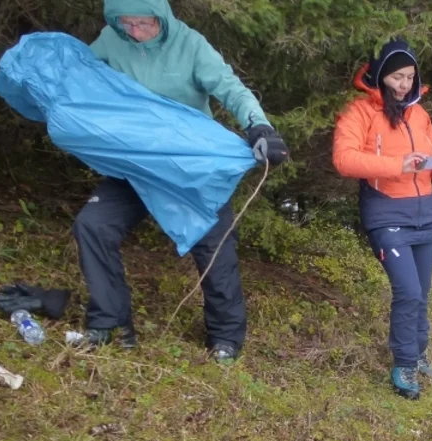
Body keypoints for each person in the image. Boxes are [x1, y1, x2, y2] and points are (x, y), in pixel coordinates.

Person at [73, 0, 289, 362]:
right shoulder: (111, 39)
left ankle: (225, 337)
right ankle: (110, 323)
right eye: (128, 24)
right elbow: (80, 75)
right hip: (137, 162)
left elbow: (230, 88)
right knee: (92, 225)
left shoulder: (190, 45)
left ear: (161, 16)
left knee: (214, 244)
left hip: (189, 165)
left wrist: (259, 126)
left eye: (144, 24)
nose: (136, 33)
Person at [332, 38, 432, 400]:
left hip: (424, 215)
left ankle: (418, 354)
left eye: (410, 77)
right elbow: (344, 159)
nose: (405, 84)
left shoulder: (418, 114)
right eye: (396, 77)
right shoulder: (359, 111)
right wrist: (397, 165)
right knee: (407, 292)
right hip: (385, 213)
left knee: (421, 293)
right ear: (379, 75)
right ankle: (404, 364)